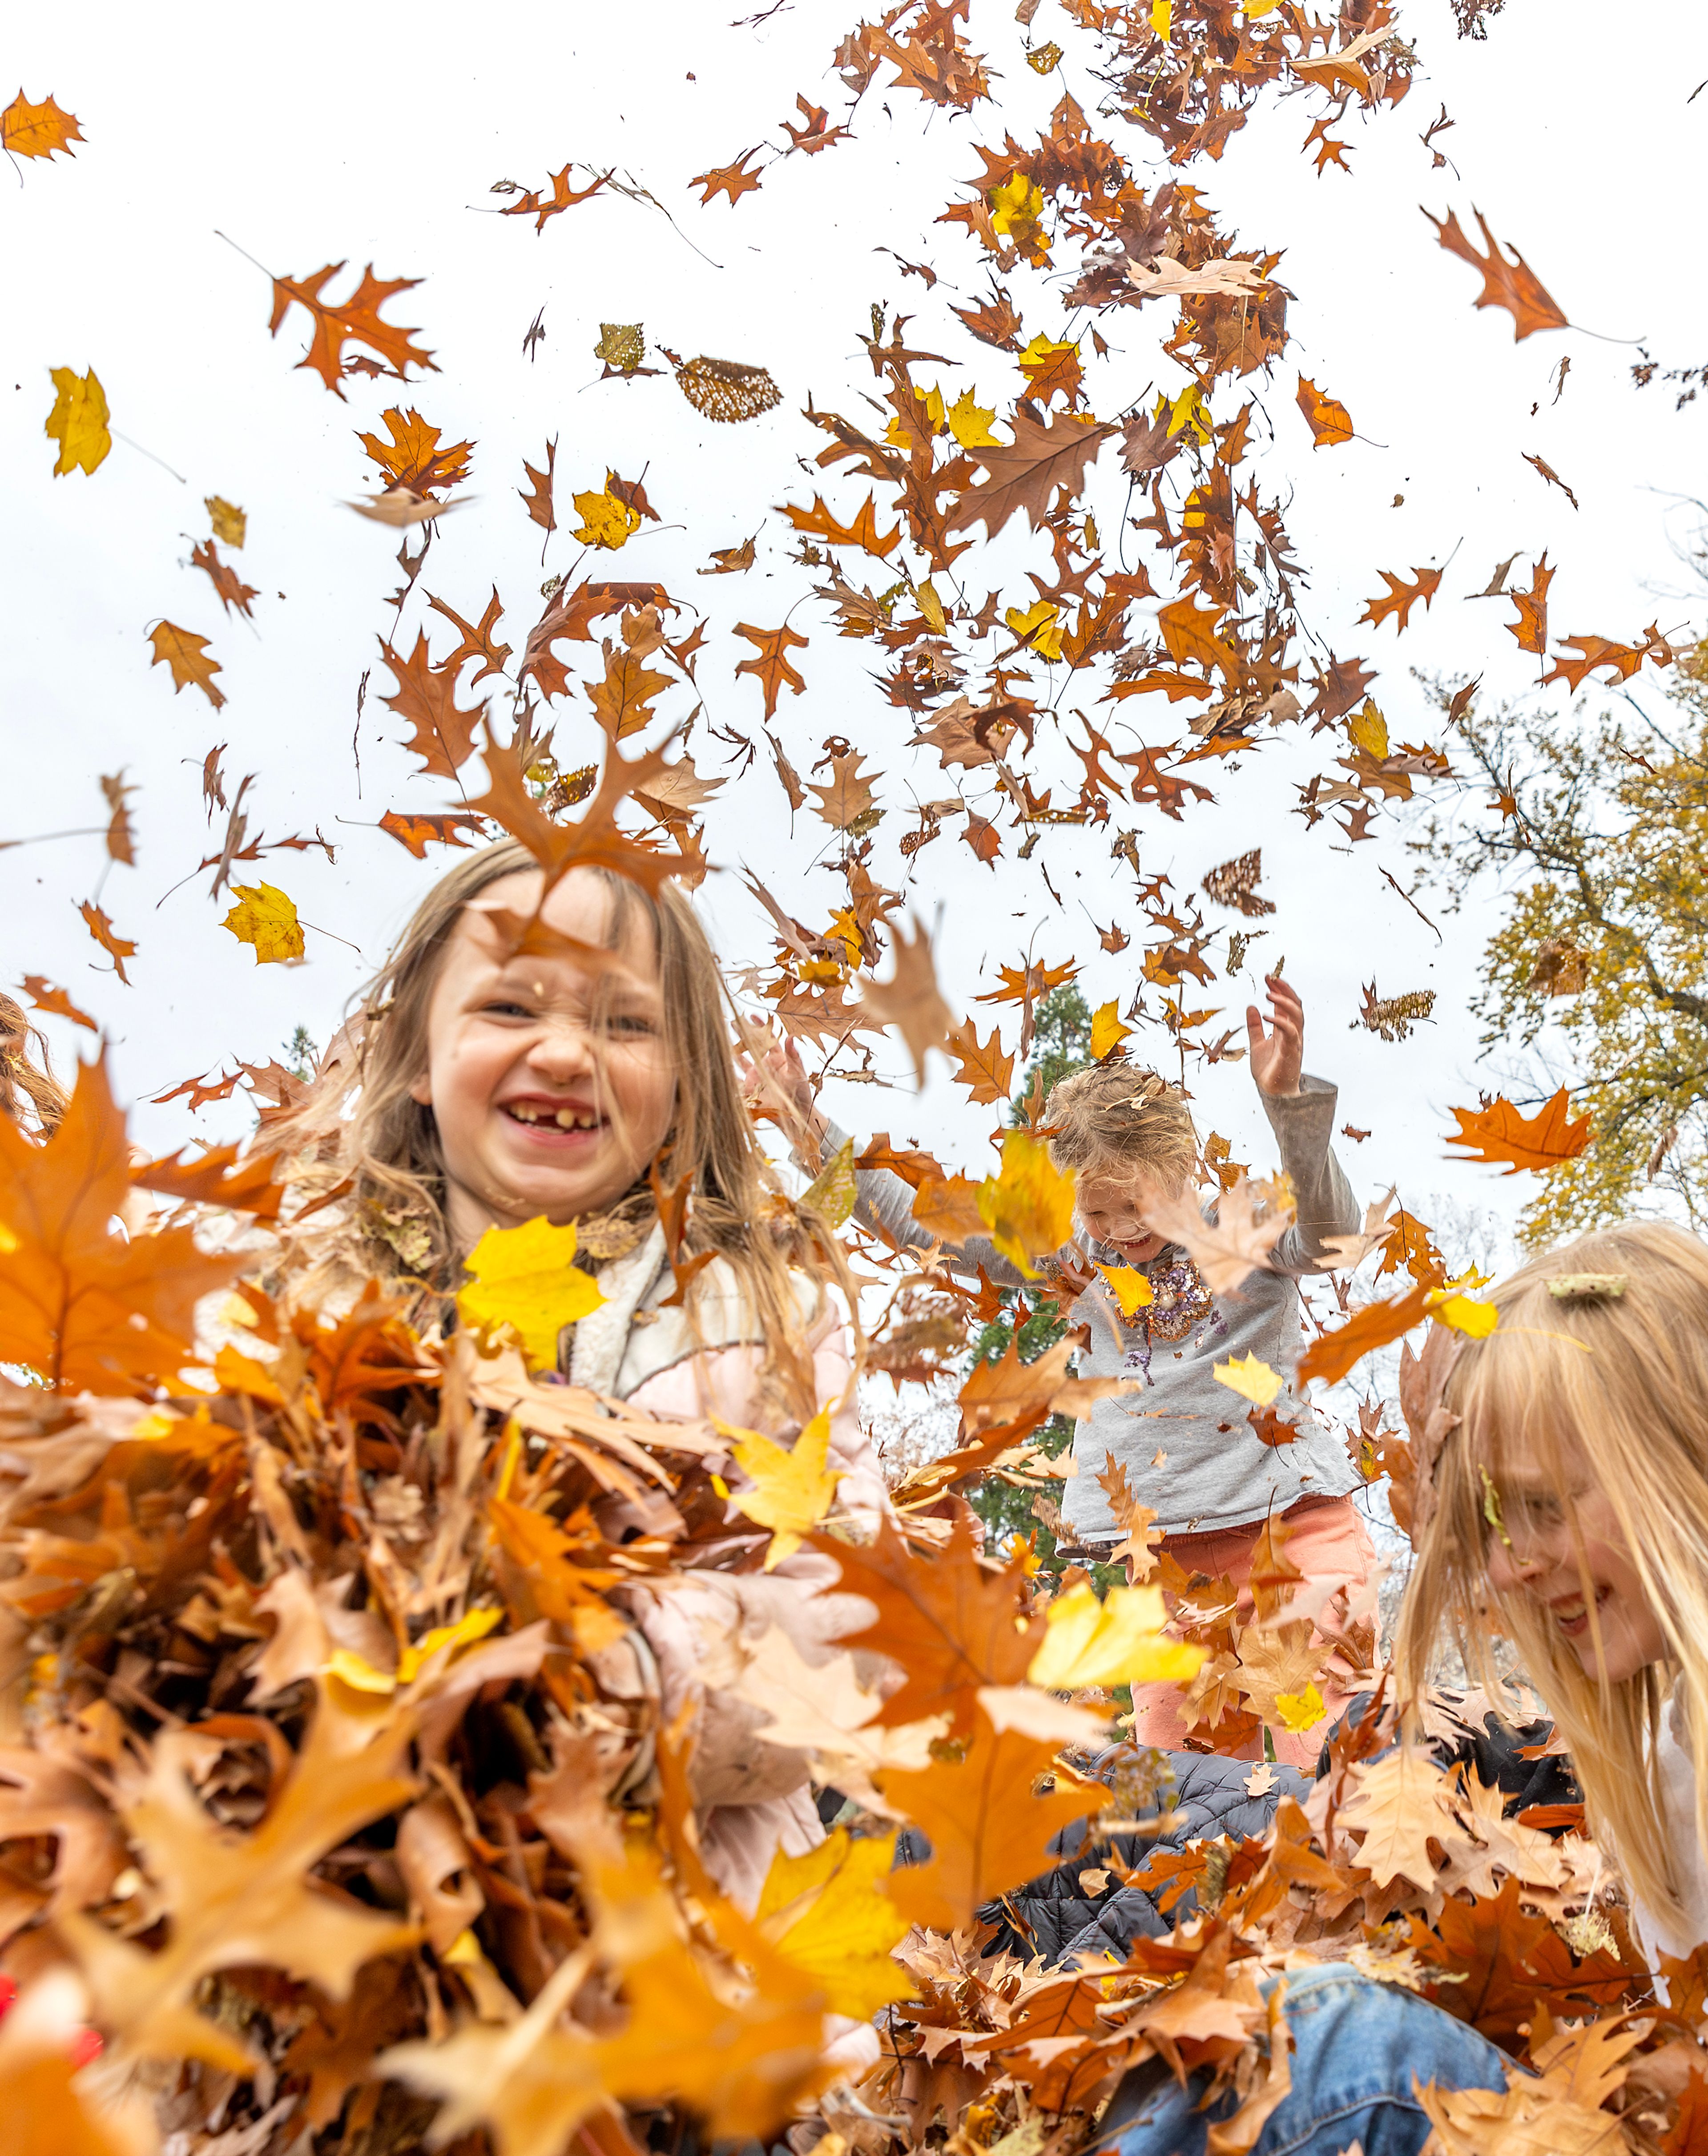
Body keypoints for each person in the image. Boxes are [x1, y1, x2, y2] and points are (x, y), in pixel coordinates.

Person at [274, 839, 891, 1910]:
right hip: (344, 1927)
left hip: (690, 1949)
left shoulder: (759, 1320)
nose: (565, 1053)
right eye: (511, 1008)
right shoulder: (298, 1296)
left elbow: (852, 1627)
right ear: (420, 1054)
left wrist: (608, 1672)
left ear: (688, 1080)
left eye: (624, 1022)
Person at [1105, 1219, 1708, 2155]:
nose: (1508, 1571)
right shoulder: (1673, 1738)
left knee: (1339, 2051)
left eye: (1543, 1504)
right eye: (1495, 1524)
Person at [756, 974, 1377, 1768]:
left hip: (1289, 1548)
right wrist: (808, 1124)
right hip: (1170, 1580)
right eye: (1097, 1213)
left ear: (1180, 1163)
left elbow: (1331, 1237)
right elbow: (923, 1221)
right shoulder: (1075, 1255)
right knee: (1199, 1799)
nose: (1120, 1231)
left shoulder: (1243, 1225)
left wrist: (1291, 1108)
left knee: (1317, 1764)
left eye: (1135, 1205)